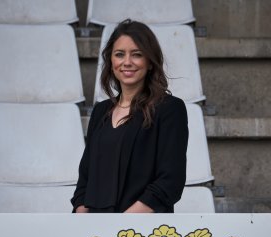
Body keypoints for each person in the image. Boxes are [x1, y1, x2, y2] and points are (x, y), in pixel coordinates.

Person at [71, 19, 188, 213]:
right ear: (111, 61)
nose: (127, 62)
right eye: (119, 55)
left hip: (141, 234)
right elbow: (85, 178)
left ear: (150, 62)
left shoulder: (169, 109)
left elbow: (170, 181)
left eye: (137, 55)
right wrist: (83, 224)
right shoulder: (101, 112)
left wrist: (123, 225)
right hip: (95, 233)